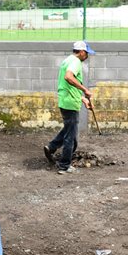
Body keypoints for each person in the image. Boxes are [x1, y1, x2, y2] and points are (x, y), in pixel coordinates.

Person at [43, 41, 94, 175]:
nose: (87, 56)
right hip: (70, 103)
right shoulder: (76, 62)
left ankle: (52, 147)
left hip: (66, 100)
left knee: (69, 129)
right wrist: (85, 90)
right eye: (87, 53)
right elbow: (68, 77)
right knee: (71, 137)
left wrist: (83, 99)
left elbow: (68, 85)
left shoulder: (67, 60)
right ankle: (64, 165)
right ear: (81, 52)